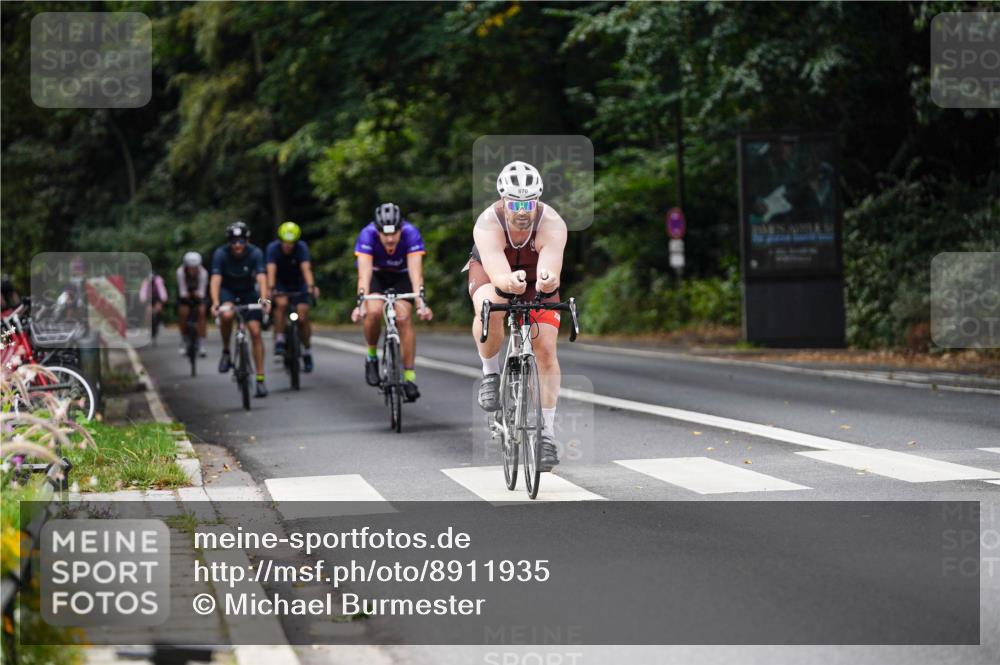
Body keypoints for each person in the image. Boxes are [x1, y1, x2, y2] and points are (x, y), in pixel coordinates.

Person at [466, 160, 567, 471]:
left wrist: (549, 280)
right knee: (490, 308)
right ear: (503, 200)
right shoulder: (488, 223)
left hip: (536, 277)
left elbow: (551, 268)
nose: (522, 210)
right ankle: (490, 372)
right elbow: (497, 271)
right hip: (493, 272)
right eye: (515, 203)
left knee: (547, 349)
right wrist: (508, 283)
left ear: (536, 200)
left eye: (529, 202)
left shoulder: (552, 223)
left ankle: (547, 435)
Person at [350, 203, 433, 402]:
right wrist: (360, 304)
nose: (389, 239)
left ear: (400, 229)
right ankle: (371, 356)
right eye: (384, 234)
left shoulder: (411, 233)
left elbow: (416, 273)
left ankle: (410, 378)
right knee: (374, 312)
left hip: (401, 278)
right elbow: (364, 274)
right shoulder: (367, 235)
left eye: (393, 234)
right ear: (377, 231)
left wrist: (421, 303)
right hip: (377, 277)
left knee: (403, 317)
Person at [209, 221, 270, 397]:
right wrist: (215, 302)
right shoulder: (221, 254)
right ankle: (226, 351)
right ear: (229, 242)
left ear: (247, 241)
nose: (237, 245)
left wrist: (264, 299)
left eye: (241, 241)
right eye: (234, 241)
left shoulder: (255, 253)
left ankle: (260, 379)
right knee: (227, 315)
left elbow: (261, 276)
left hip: (248, 292)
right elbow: (215, 279)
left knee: (256, 332)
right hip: (228, 291)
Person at [266, 221, 319, 373]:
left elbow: (306, 268)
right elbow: (271, 269)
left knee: (302, 316)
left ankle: (307, 349)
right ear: (280, 240)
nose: (288, 246)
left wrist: (311, 286)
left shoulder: (301, 248)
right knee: (281, 305)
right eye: (285, 242)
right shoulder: (273, 249)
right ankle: (280, 339)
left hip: (298, 283)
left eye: (291, 243)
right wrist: (270, 288)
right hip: (280, 283)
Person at [176, 251, 208, 357]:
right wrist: (189, 294)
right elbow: (182, 291)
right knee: (183, 313)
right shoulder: (180, 272)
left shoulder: (203, 273)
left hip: (198, 295)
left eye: (195, 267)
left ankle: (202, 342)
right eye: (190, 267)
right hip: (185, 296)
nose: (193, 270)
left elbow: (202, 292)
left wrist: (196, 294)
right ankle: (184, 339)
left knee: (202, 313)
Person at [139, 270, 168, 343]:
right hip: (149, 300)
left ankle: (160, 322)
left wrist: (164, 298)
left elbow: (162, 290)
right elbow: (143, 291)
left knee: (159, 309)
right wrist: (142, 299)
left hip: (157, 299)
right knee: (148, 312)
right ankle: (148, 327)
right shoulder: (145, 282)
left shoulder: (158, 281)